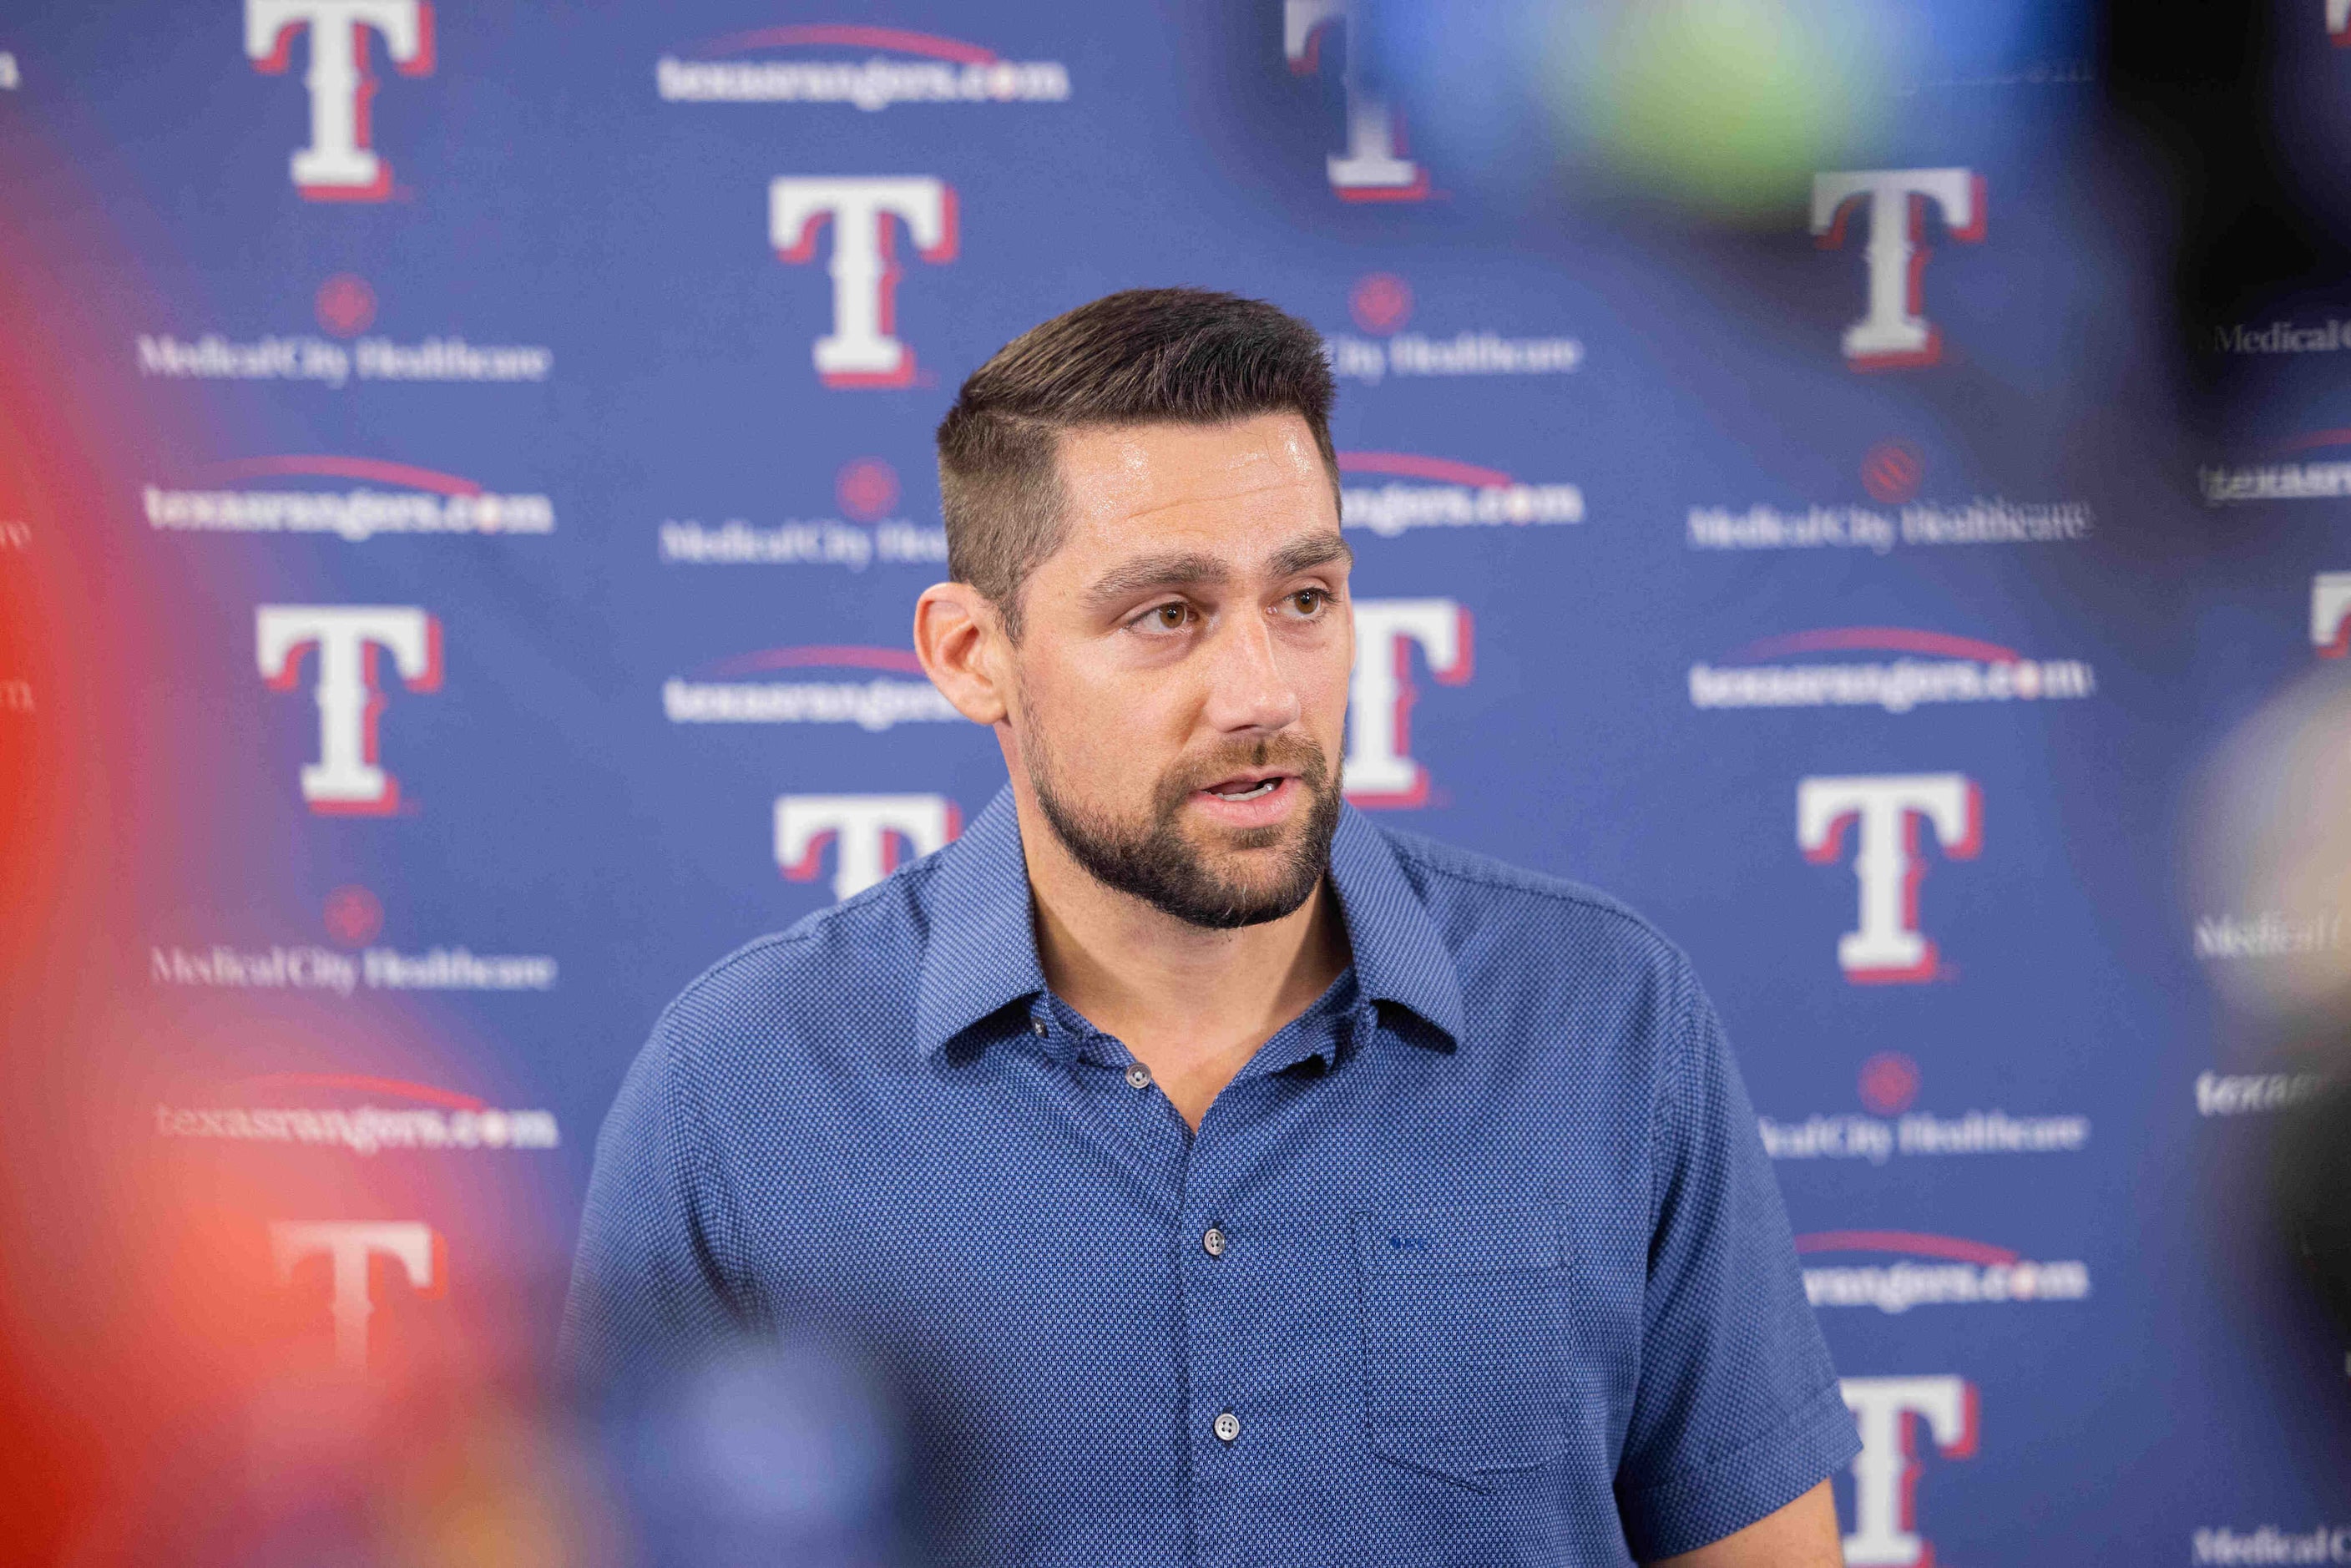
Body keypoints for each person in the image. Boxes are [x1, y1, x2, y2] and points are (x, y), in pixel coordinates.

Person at [563, 288, 1859, 1565]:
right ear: (973, 655)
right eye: (1165, 615)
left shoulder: (1611, 1021)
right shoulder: (739, 1093)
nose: (1260, 691)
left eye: (1304, 598)